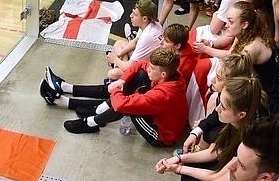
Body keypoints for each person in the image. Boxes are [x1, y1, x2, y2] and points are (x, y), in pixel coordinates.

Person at [40, 48, 187, 146]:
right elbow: (141, 65)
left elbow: (121, 105)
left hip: (161, 134)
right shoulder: (171, 74)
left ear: (163, 74)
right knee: (138, 76)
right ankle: (97, 110)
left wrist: (115, 89)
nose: (149, 68)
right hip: (160, 114)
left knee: (129, 107)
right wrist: (121, 81)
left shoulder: (164, 94)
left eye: (152, 68)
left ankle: (90, 123)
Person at [156, 77, 267, 181]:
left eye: (223, 107)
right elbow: (214, 152)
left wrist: (178, 168)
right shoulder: (236, 123)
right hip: (222, 169)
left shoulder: (249, 143)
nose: (217, 109)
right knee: (190, 168)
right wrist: (179, 159)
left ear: (241, 114)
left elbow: (216, 176)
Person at [174, 113, 279, 181]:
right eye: (237, 156)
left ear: (265, 178)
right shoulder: (273, 158)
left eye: (241, 165)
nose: (230, 166)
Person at [194, 2, 279, 112]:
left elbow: (232, 75)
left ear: (244, 24)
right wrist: (209, 45)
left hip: (267, 98)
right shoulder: (243, 34)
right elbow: (231, 54)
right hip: (256, 85)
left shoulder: (251, 48)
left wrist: (214, 88)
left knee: (216, 98)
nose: (226, 25)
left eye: (231, 22)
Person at [184, 53, 255, 152]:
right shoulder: (220, 97)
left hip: (239, 149)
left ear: (233, 84)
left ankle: (199, 151)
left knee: (210, 133)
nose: (213, 80)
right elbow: (213, 118)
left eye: (219, 78)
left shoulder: (251, 119)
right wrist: (196, 132)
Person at [105, 0, 163, 79]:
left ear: (144, 18)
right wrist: (119, 54)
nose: (130, 16)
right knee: (119, 43)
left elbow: (127, 68)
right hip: (147, 59)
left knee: (112, 74)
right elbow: (135, 42)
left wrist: (114, 59)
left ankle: (119, 70)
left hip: (148, 71)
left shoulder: (147, 37)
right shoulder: (151, 24)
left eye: (135, 15)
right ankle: (120, 65)